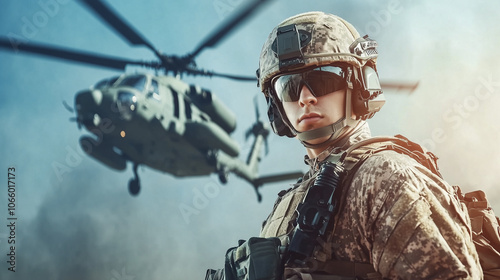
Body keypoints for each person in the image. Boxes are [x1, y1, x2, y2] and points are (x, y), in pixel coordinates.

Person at [206, 11, 483, 280]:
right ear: (275, 107)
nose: (305, 98)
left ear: (360, 84)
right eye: (289, 87)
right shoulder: (289, 203)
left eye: (322, 80)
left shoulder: (387, 178)